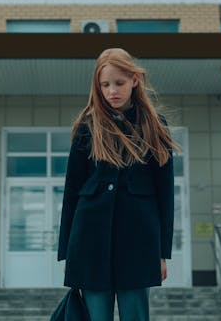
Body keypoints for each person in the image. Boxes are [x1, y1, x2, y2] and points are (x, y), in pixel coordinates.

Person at [57, 48, 176, 321]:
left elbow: (165, 194)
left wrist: (161, 254)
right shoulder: (88, 127)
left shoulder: (156, 126)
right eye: (105, 84)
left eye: (119, 83)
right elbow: (71, 192)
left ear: (135, 80)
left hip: (139, 243)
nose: (112, 91)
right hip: (88, 243)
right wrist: (67, 253)